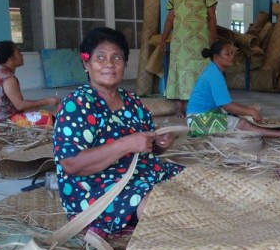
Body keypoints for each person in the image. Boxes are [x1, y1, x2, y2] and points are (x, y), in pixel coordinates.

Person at [53, 27, 184, 236]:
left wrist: (159, 145)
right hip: (95, 189)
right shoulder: (77, 104)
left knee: (190, 183)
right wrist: (126, 144)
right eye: (100, 57)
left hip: (140, 173)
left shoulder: (131, 101)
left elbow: (146, 149)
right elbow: (71, 164)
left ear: (124, 64)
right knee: (158, 207)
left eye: (117, 57)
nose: (109, 64)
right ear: (87, 64)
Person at [186, 40, 280, 139]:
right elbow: (227, 105)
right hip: (197, 122)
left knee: (239, 113)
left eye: (232, 53)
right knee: (242, 123)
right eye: (227, 54)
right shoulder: (214, 75)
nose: (232, 56)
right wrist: (251, 111)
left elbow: (224, 105)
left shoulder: (213, 71)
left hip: (201, 115)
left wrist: (247, 109)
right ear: (216, 57)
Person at [160, 0, 218, 118]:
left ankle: (198, 106)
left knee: (198, 72)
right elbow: (170, 19)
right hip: (179, 42)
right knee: (179, 72)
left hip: (199, 42)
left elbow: (212, 17)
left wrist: (213, 39)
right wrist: (163, 39)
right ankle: (180, 108)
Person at [0, 41, 59, 125]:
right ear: (10, 57)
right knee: (49, 118)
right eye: (18, 53)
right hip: (3, 124)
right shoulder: (8, 78)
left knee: (36, 113)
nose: (22, 55)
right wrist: (48, 101)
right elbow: (20, 105)